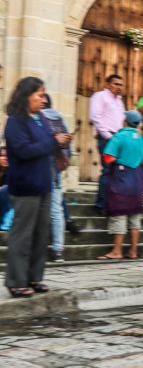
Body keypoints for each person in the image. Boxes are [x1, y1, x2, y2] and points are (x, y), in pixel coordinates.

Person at [4, 77, 70, 298]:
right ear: (26, 95)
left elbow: (46, 144)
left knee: (41, 235)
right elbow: (24, 150)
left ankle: (34, 277)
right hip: (25, 185)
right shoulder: (15, 121)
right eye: (39, 95)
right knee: (22, 235)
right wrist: (53, 142)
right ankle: (16, 281)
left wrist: (59, 140)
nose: (43, 99)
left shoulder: (40, 118)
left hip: (44, 183)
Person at [99, 111, 143, 260]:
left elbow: (108, 157)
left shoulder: (119, 137)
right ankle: (133, 251)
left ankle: (117, 251)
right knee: (135, 217)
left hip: (121, 180)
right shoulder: (141, 140)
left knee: (119, 215)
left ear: (125, 121)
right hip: (137, 181)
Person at [89, 74, 125, 213]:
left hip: (117, 139)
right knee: (107, 171)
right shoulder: (100, 97)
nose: (119, 87)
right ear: (109, 84)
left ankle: (111, 203)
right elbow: (95, 117)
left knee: (117, 173)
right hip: (107, 139)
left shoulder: (119, 101)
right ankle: (101, 205)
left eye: (121, 85)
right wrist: (109, 137)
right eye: (116, 84)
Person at [41, 94, 71, 263]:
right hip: (55, 172)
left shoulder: (37, 119)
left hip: (38, 171)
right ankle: (58, 249)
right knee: (56, 211)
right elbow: (67, 147)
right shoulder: (59, 120)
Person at [0, 147, 11, 231]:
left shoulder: (12, 172)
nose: (6, 158)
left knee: (5, 190)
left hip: (8, 202)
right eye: (2, 155)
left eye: (8, 155)